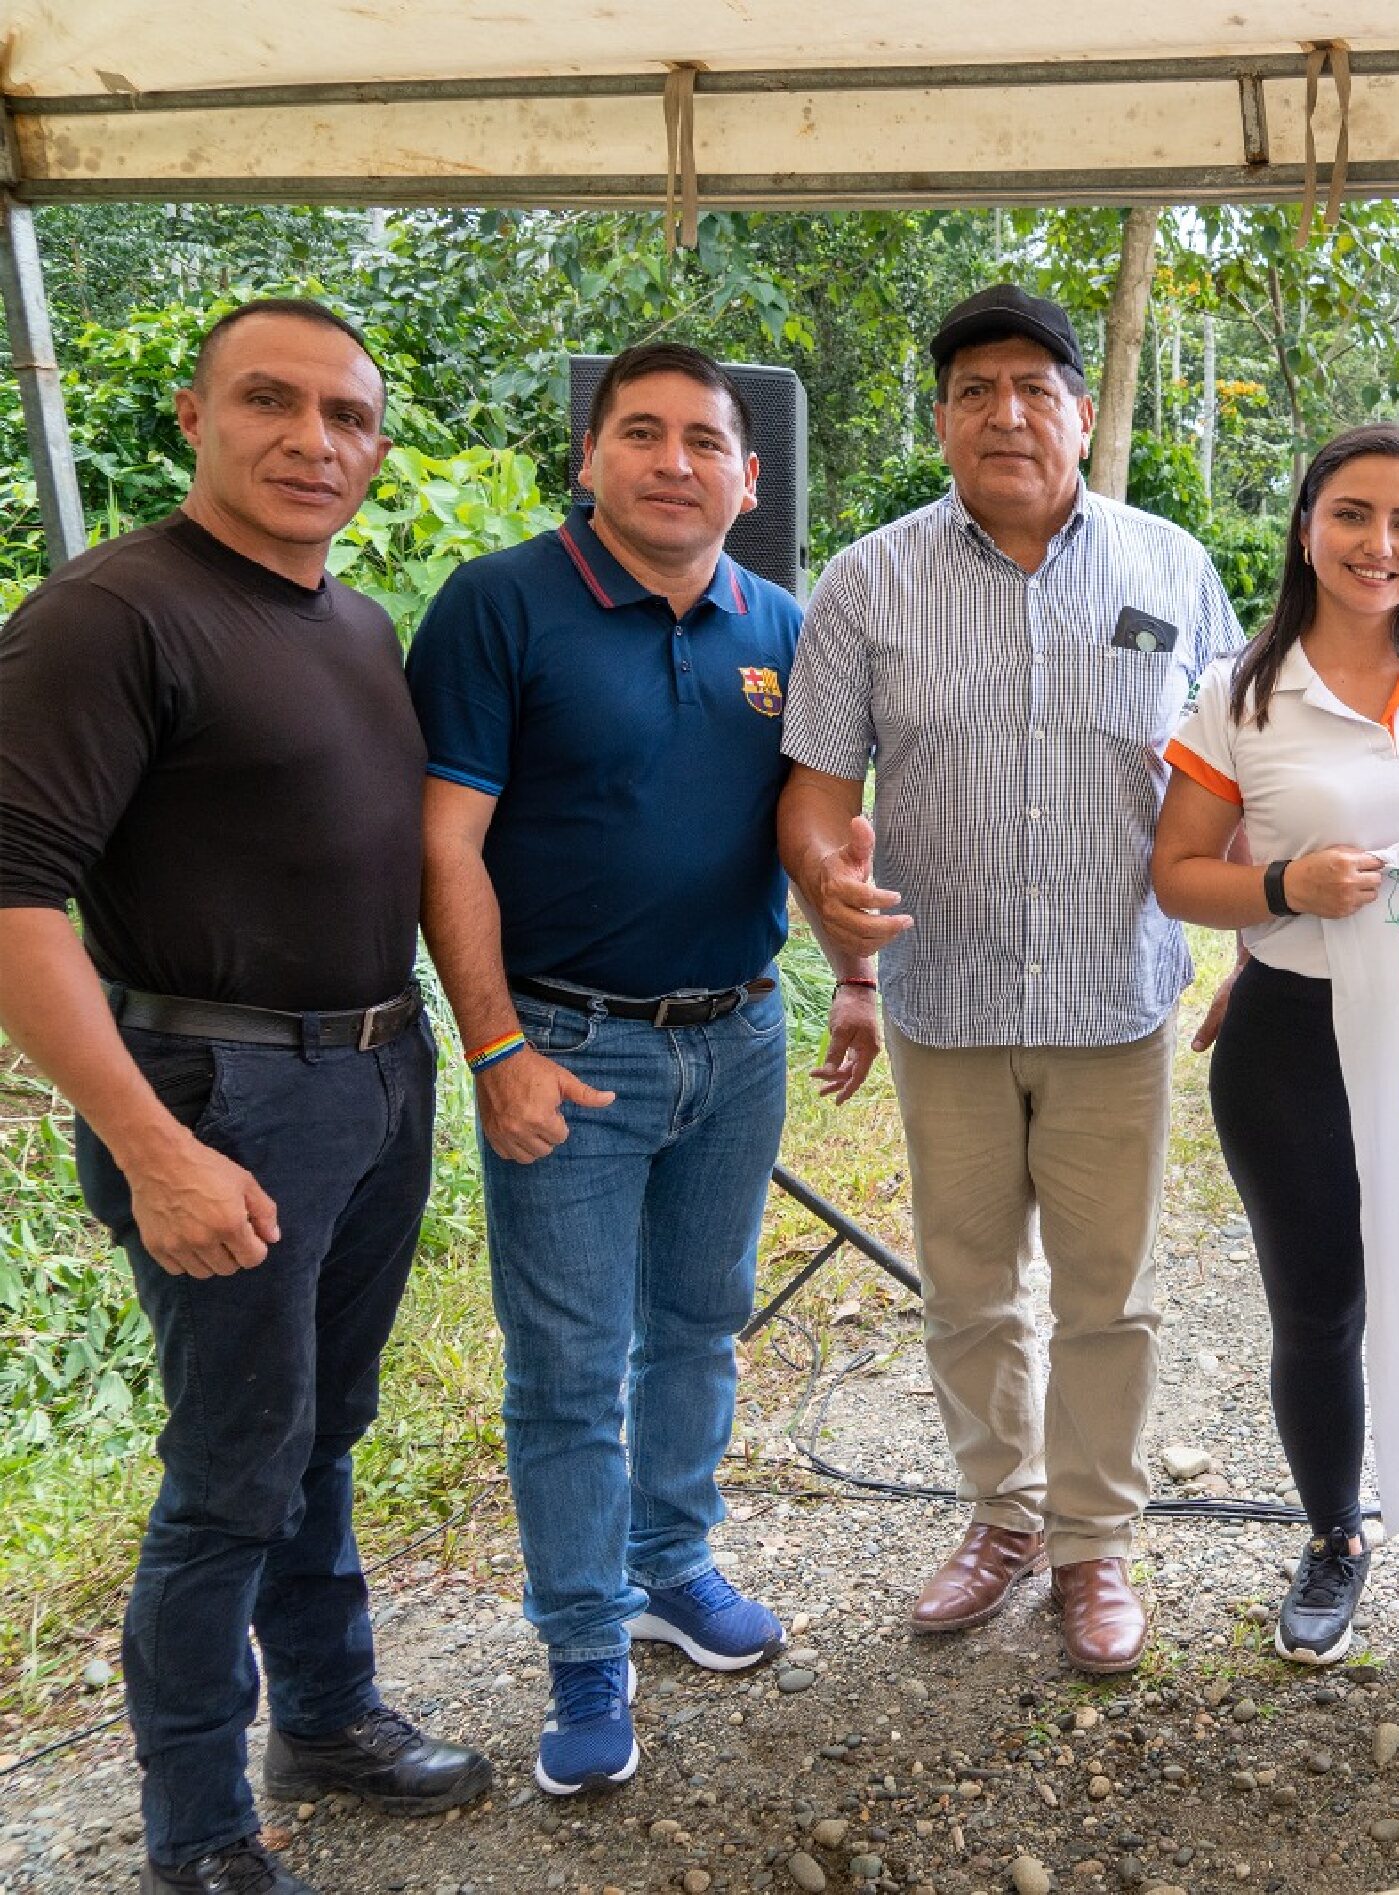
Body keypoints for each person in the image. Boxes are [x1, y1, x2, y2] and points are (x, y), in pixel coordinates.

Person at [0, 299, 491, 1895]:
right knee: (232, 1461)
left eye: (347, 416)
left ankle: (330, 1714)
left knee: (321, 1429)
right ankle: (197, 1827)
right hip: (219, 1089)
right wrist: (155, 1149)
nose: (313, 440)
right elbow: (14, 901)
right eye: (270, 402)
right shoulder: (110, 614)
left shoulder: (349, 621)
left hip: (372, 1068)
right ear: (196, 416)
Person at [778, 285, 1242, 1675]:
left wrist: (1261, 944)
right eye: (975, 390)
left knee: (1110, 1286)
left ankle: (1097, 1542)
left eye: (1036, 387)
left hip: (1115, 996)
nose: (1006, 413)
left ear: (1084, 414)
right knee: (969, 1283)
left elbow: (1241, 781)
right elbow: (814, 796)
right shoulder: (868, 582)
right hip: (949, 1000)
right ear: (940, 421)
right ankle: (1003, 1513)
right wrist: (833, 906)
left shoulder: (1173, 568)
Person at [410, 343, 847, 1796]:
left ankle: (671, 1561)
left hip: (736, 1037)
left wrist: (853, 965)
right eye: (641, 433)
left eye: (703, 440)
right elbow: (444, 843)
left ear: (748, 473)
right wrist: (494, 1048)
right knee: (568, 1364)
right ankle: (584, 1639)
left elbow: (813, 826)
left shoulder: (777, 619)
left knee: (703, 1319)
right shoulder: (498, 606)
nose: (675, 461)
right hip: (566, 1050)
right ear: (589, 456)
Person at [1152, 421, 1399, 1690]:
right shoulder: (1243, 687)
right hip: (1292, 1041)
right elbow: (1175, 876)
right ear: (1309, 527)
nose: (1381, 545)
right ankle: (1334, 1535)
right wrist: (1283, 882)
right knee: (1319, 1311)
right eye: (1354, 515)